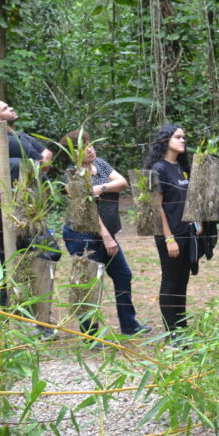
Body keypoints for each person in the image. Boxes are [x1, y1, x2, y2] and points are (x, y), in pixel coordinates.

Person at [60, 129, 151, 339]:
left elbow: (123, 183)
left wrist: (98, 189)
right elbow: (88, 210)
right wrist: (107, 237)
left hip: (106, 234)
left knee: (123, 275)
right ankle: (90, 335)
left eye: (90, 144)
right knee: (88, 282)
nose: (90, 149)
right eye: (83, 148)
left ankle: (129, 325)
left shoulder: (99, 164)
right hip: (83, 235)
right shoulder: (74, 175)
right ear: (73, 154)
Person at [0, 144, 54, 336]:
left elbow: (43, 189)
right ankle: (10, 323)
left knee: (42, 266)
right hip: (0, 239)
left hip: (30, 232)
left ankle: (43, 324)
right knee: (6, 277)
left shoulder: (17, 166)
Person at [145, 124, 198, 339]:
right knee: (170, 281)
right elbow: (156, 207)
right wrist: (169, 239)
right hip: (170, 236)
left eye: (184, 137)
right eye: (178, 137)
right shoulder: (159, 169)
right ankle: (171, 332)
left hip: (186, 233)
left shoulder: (181, 166)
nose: (183, 140)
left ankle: (181, 327)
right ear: (165, 140)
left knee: (182, 280)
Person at [0, 101, 53, 165]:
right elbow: (44, 164)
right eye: (5, 109)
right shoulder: (8, 141)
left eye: (8, 107)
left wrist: (45, 160)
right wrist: (45, 160)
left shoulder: (19, 135)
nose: (11, 109)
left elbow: (48, 153)